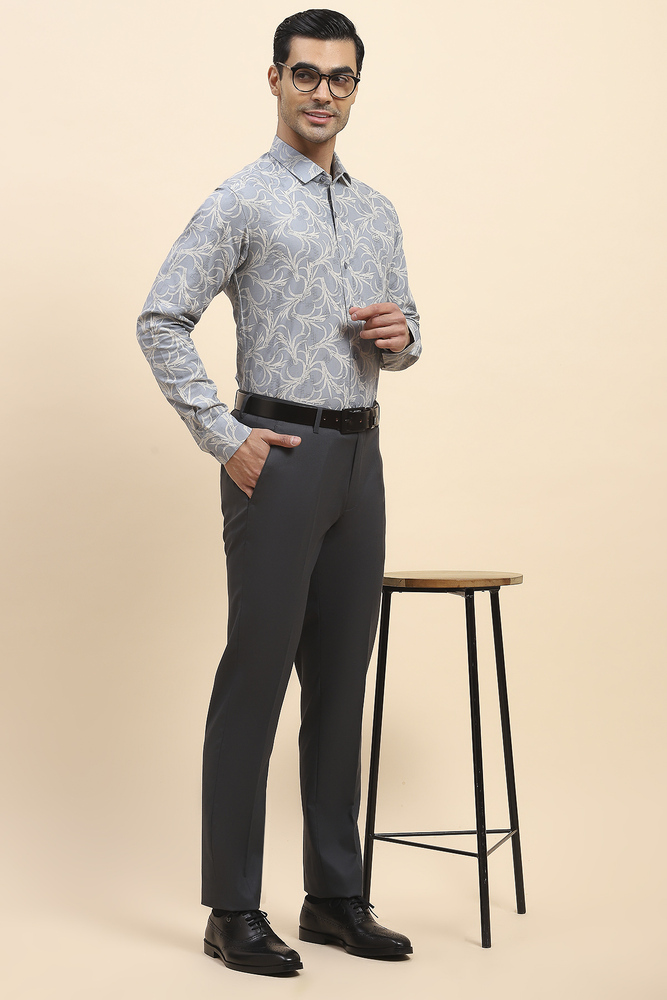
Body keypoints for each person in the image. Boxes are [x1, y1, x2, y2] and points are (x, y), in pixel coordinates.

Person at [137, 8, 421, 976]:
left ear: (355, 88)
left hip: (360, 458)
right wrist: (226, 439)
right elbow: (161, 317)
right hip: (280, 455)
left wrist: (402, 338)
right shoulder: (241, 200)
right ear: (275, 79)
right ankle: (232, 908)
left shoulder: (377, 210)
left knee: (340, 684)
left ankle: (334, 896)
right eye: (305, 74)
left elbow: (407, 328)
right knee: (254, 680)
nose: (322, 93)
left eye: (340, 78)